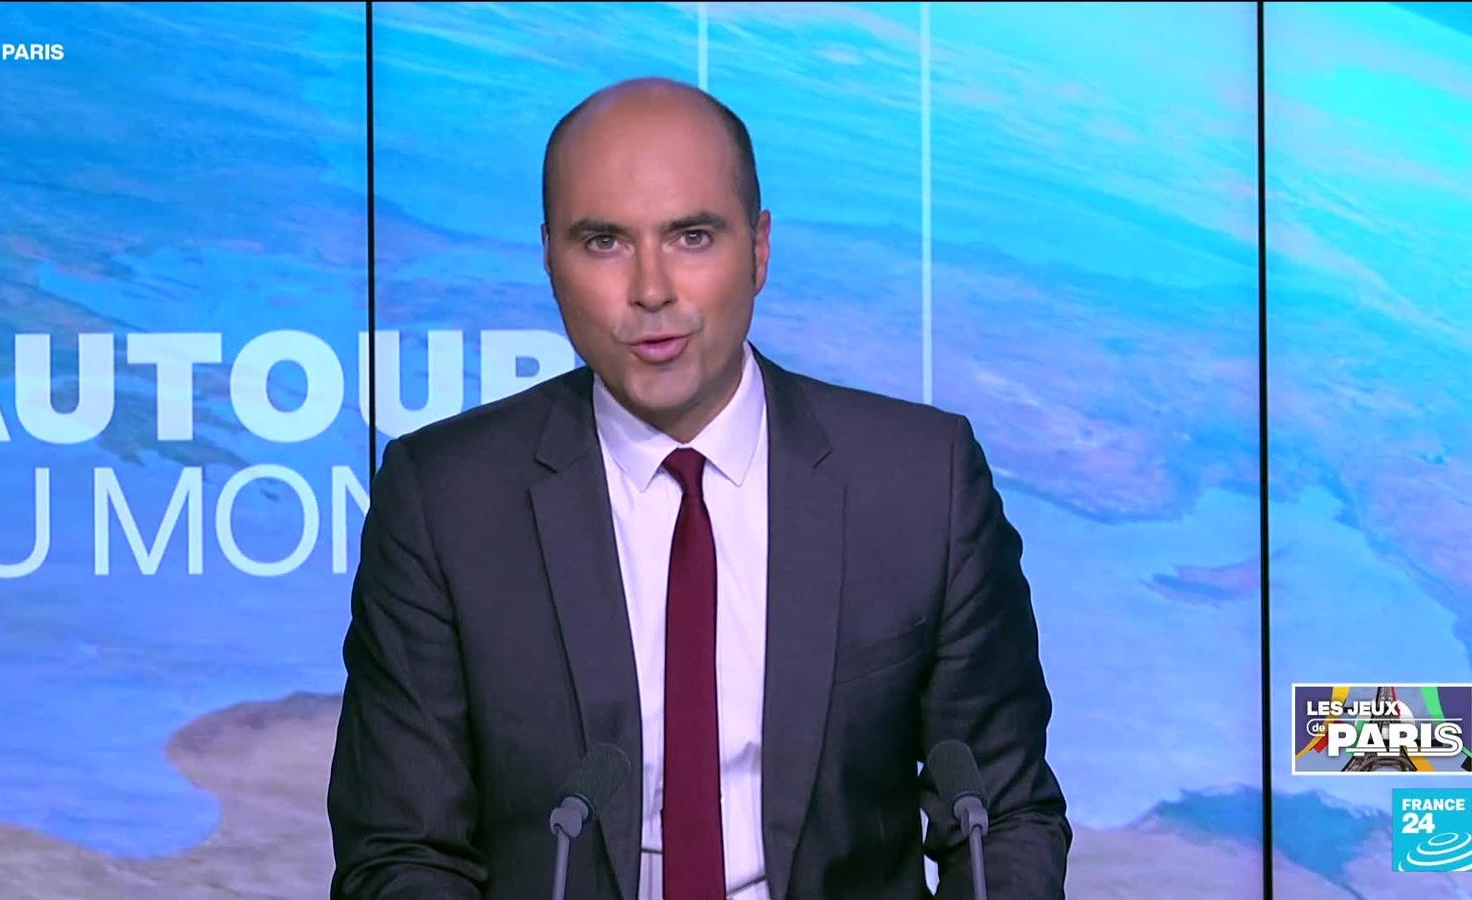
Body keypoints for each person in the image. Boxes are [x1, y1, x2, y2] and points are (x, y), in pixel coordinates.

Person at [327, 76, 1070, 899]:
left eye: (691, 236)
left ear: (759, 249)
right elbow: (401, 852)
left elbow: (1004, 814)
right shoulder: (445, 503)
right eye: (603, 241)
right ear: (548, 258)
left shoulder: (921, 483)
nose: (651, 289)